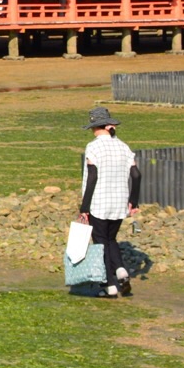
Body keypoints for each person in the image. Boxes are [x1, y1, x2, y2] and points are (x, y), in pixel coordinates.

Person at [78, 106, 140, 298]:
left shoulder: (93, 147)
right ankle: (121, 271)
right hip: (119, 202)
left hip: (98, 203)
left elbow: (92, 177)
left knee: (100, 243)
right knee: (111, 239)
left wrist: (84, 208)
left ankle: (109, 286)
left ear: (99, 127)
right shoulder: (124, 147)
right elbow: (136, 175)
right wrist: (134, 201)